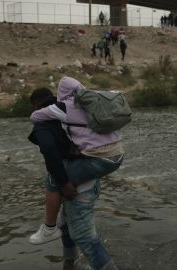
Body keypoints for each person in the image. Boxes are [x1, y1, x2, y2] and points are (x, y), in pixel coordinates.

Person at [29, 77, 124, 269]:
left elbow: (48, 149)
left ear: (36, 104)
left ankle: (49, 228)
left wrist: (63, 182)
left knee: (83, 235)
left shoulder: (49, 116)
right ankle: (69, 263)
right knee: (66, 224)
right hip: (93, 167)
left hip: (81, 176)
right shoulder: (83, 106)